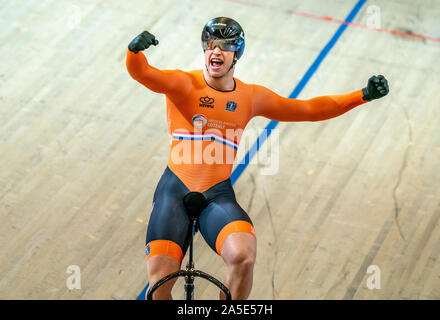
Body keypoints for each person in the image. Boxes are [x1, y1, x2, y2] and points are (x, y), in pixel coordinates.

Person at [126, 17, 389, 300]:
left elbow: (309, 109)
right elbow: (143, 73)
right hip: (174, 191)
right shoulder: (182, 83)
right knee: (160, 283)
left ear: (237, 53)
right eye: (210, 45)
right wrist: (134, 53)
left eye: (225, 46)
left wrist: (361, 96)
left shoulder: (250, 97)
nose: (216, 52)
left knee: (244, 257)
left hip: (216, 195)